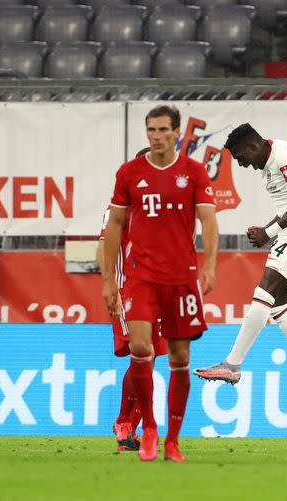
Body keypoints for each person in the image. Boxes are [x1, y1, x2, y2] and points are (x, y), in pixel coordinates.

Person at [102, 105, 218, 462]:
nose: (156, 136)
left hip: (181, 279)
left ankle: (171, 440)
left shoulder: (193, 173)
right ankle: (142, 426)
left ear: (176, 132)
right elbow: (113, 231)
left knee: (176, 357)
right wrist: (111, 283)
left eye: (163, 130)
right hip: (139, 280)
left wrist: (210, 264)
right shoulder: (129, 177)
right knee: (140, 350)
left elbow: (209, 220)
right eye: (151, 130)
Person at [194, 123, 287, 398]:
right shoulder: (271, 162)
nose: (241, 164)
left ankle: (232, 365)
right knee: (276, 304)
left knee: (263, 293)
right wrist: (268, 230)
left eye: (240, 158)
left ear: (253, 146)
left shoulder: (284, 156)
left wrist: (268, 232)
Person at [97, 147, 168, 452]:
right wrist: (109, 283)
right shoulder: (119, 206)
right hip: (130, 290)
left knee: (149, 361)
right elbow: (104, 247)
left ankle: (129, 429)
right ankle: (125, 421)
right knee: (144, 353)